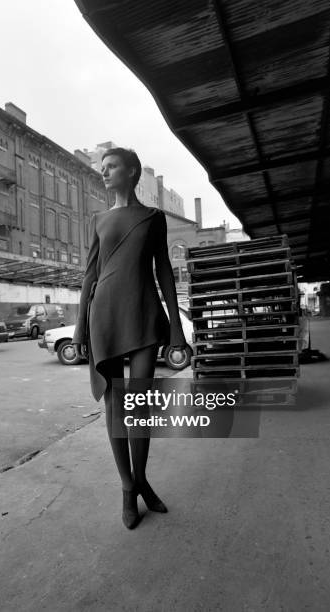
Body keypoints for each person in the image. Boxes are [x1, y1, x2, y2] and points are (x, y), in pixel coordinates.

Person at [72, 147, 187, 529]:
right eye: (102, 168)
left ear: (132, 172)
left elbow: (165, 271)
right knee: (114, 407)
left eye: (112, 167)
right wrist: (78, 327)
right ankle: (128, 488)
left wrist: (176, 328)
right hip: (103, 316)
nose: (104, 173)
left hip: (143, 314)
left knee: (140, 407)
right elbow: (90, 275)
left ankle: (141, 481)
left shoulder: (153, 218)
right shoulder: (99, 220)